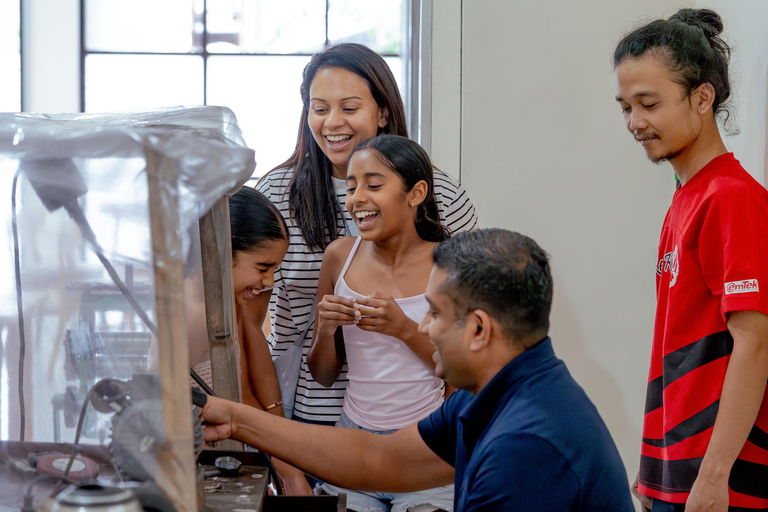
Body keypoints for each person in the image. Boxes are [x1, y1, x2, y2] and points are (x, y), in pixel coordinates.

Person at [199, 228, 634, 512]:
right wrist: (236, 418)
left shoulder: (525, 449)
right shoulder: (491, 394)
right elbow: (377, 457)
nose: (422, 327)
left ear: (479, 329)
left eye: (434, 314)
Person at [255, 42, 478, 427]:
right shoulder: (276, 193)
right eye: (320, 109)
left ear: (383, 111)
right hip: (313, 411)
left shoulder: (441, 193)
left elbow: (471, 322)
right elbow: (261, 324)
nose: (332, 122)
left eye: (350, 108)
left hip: (422, 423)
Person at [614, 9, 768, 512]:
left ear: (702, 97)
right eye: (625, 107)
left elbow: (755, 343)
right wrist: (653, 469)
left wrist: (713, 475)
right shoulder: (687, 198)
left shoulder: (731, 197)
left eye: (649, 104)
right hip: (674, 471)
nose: (635, 122)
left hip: (721, 482)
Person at [307, 135, 453, 511]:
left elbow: (459, 375)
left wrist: (403, 328)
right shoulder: (339, 257)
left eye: (373, 185)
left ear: (416, 193)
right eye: (351, 186)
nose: (357, 199)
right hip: (355, 445)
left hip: (426, 445)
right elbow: (323, 375)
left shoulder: (450, 265)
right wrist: (325, 329)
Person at [190, 187, 311, 494]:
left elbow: (250, 369)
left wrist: (286, 460)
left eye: (275, 268)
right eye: (263, 268)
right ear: (221, 250)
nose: (270, 281)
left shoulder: (234, 297)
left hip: (240, 438)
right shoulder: (193, 315)